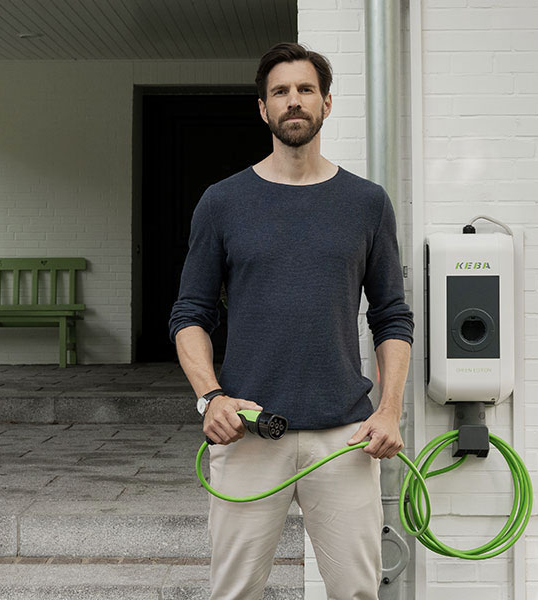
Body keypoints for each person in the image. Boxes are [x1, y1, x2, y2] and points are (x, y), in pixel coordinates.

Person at [168, 42, 415, 600]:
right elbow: (189, 314)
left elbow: (392, 316)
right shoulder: (222, 202)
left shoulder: (366, 203)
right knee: (234, 594)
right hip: (251, 432)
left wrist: (391, 409)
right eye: (280, 92)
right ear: (263, 109)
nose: (293, 101)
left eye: (305, 90)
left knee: (356, 593)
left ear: (327, 103)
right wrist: (211, 397)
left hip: (344, 438)